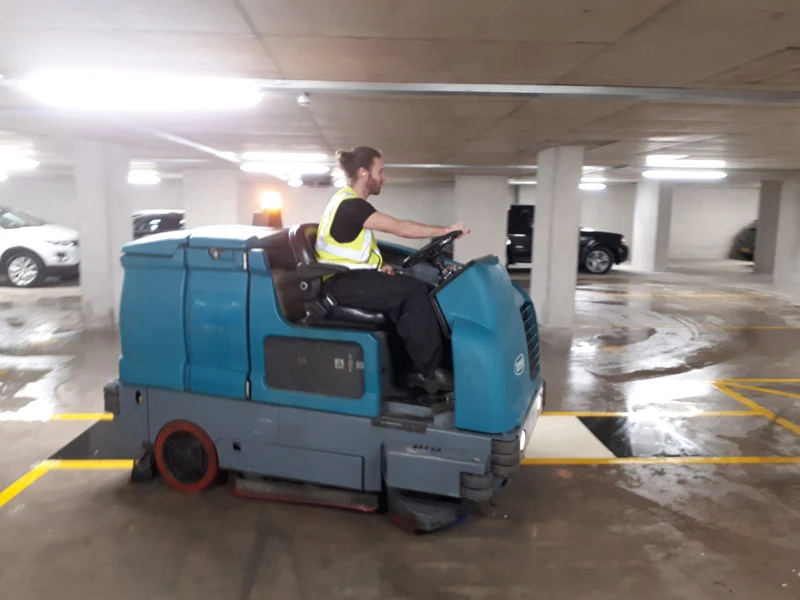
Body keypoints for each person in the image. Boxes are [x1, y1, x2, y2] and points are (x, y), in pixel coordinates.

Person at [315, 146, 470, 392]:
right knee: (415, 293)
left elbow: (356, 251)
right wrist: (446, 231)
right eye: (381, 171)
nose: (384, 177)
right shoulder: (351, 205)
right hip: (341, 283)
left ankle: (407, 370)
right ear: (364, 173)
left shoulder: (348, 203)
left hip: (350, 278)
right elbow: (401, 228)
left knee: (416, 288)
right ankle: (432, 373)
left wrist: (381, 267)